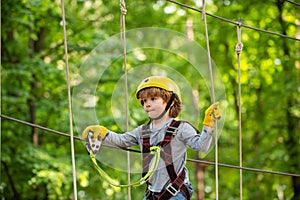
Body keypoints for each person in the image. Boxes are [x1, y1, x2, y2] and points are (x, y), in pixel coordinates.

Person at [82, 76, 221, 200]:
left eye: (153, 99)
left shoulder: (181, 128)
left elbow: (201, 146)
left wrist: (208, 125)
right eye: (144, 101)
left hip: (176, 192)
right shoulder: (142, 131)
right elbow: (122, 140)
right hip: (152, 193)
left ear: (171, 102)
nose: (147, 104)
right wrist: (103, 133)